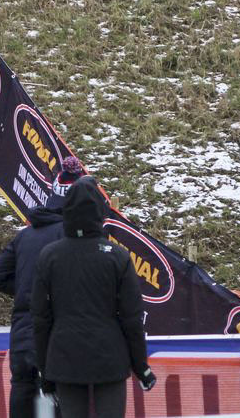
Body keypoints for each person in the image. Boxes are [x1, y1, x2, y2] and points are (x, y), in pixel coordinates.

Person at [32, 176, 155, 418]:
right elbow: (132, 318)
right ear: (100, 213)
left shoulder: (49, 256)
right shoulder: (117, 256)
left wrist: (45, 372)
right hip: (109, 357)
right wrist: (141, 368)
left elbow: (40, 319)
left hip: (65, 358)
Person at [0, 156, 87, 418]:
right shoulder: (73, 236)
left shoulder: (25, 236)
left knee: (22, 398)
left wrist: (26, 291)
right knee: (57, 405)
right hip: (57, 337)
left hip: (22, 337)